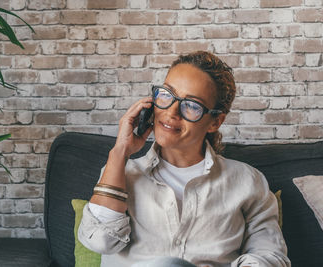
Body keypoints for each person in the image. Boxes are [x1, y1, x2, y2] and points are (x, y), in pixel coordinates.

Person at [78, 51, 290, 267]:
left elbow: (270, 257)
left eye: (191, 105)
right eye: (166, 94)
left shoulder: (247, 181)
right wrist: (119, 151)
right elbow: (100, 241)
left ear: (215, 121)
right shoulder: (120, 173)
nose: (171, 112)